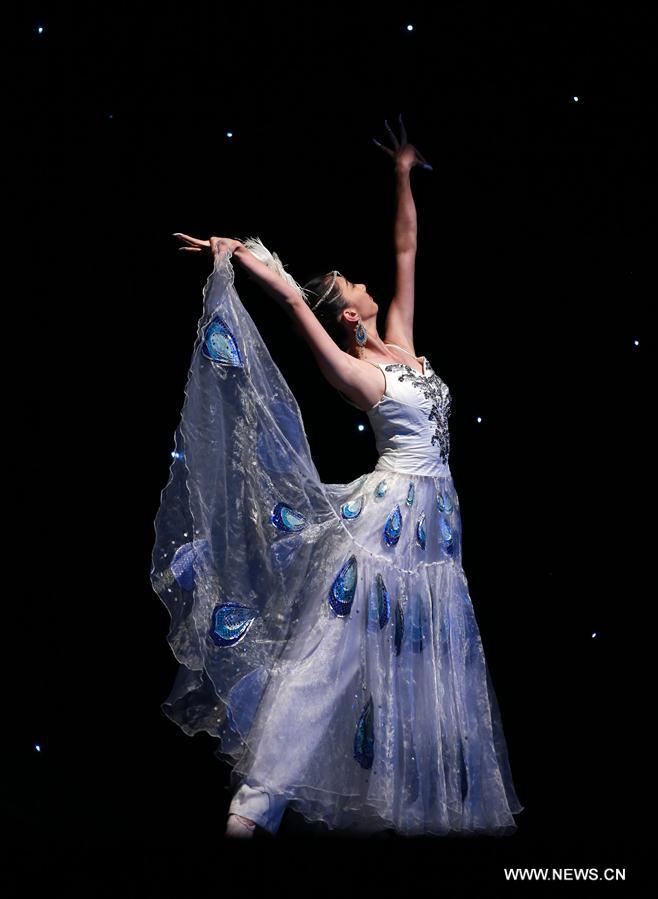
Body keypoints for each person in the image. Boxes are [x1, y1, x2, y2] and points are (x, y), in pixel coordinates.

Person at [150, 116, 524, 839]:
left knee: (419, 657)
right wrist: (239, 254)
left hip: (437, 530)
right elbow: (296, 303)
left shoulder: (402, 343)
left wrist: (402, 172)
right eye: (351, 284)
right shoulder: (357, 372)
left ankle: (406, 804)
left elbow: (407, 247)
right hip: (390, 523)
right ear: (350, 314)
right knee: (332, 653)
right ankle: (256, 800)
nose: (364, 280)